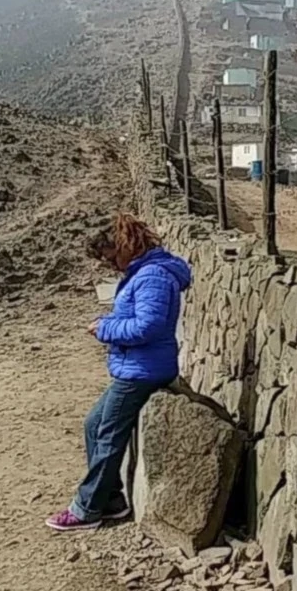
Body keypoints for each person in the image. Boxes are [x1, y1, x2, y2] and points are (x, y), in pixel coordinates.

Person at [46, 213, 192, 532]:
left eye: (112, 257)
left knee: (107, 434)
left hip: (143, 370)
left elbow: (148, 326)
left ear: (126, 245)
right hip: (138, 366)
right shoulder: (145, 273)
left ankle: (87, 509)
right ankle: (111, 500)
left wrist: (105, 328)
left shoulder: (152, 276)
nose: (111, 265)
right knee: (94, 423)